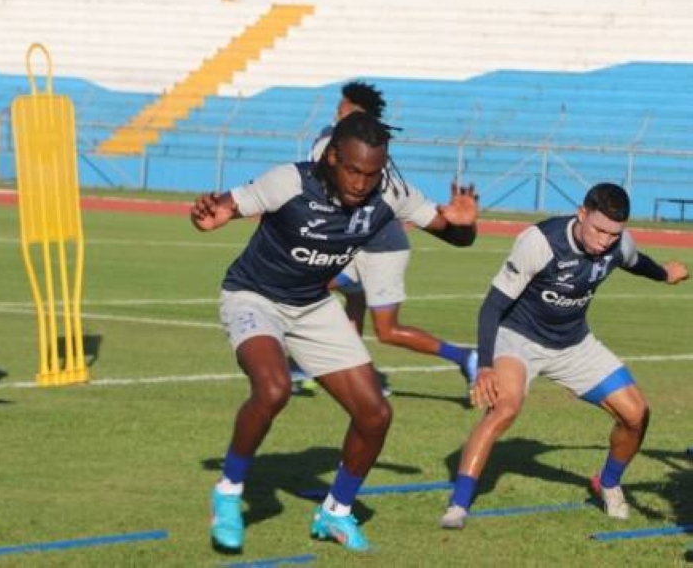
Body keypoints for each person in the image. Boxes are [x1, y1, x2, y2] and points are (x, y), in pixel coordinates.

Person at [191, 111, 479, 554]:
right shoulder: (289, 181)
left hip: (312, 306)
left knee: (375, 414)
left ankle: (335, 512)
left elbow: (458, 239)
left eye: (372, 173)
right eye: (352, 170)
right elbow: (224, 207)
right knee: (273, 389)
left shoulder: (392, 194)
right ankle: (228, 493)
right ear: (331, 157)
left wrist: (465, 222)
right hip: (254, 297)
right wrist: (209, 216)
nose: (361, 183)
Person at [438, 183, 689, 530]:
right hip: (519, 339)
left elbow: (635, 261)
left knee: (636, 415)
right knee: (505, 407)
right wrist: (484, 366)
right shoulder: (539, 242)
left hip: (574, 344)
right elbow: (493, 305)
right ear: (581, 213)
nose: (604, 241)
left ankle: (608, 482)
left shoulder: (618, 244)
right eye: (598, 229)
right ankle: (458, 505)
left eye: (613, 234)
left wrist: (665, 274)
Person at [293, 81, 477, 397]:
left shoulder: (354, 148)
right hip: (355, 244)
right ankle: (323, 369)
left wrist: (463, 224)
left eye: (345, 106)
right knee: (310, 291)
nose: (338, 110)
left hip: (382, 249)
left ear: (359, 113)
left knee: (387, 331)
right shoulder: (344, 141)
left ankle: (465, 357)